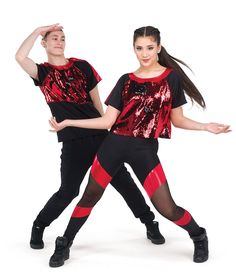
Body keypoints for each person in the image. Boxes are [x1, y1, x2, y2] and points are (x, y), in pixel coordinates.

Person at [48, 25, 231, 267]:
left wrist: (205, 126)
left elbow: (178, 119)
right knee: (89, 195)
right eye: (139, 48)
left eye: (149, 48)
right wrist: (69, 122)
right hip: (112, 145)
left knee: (167, 208)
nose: (144, 54)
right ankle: (64, 243)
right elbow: (107, 121)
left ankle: (198, 235)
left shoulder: (170, 78)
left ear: (158, 48)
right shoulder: (126, 80)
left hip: (143, 150)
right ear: (133, 49)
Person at [15, 24, 165, 251]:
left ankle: (149, 222)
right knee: (69, 191)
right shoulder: (43, 73)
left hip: (100, 138)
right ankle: (39, 226)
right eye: (53, 38)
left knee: (124, 182)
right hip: (73, 141)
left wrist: (108, 130)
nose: (59, 41)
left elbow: (98, 105)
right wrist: (38, 30)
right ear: (44, 44)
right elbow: (19, 56)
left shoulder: (82, 67)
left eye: (62, 38)